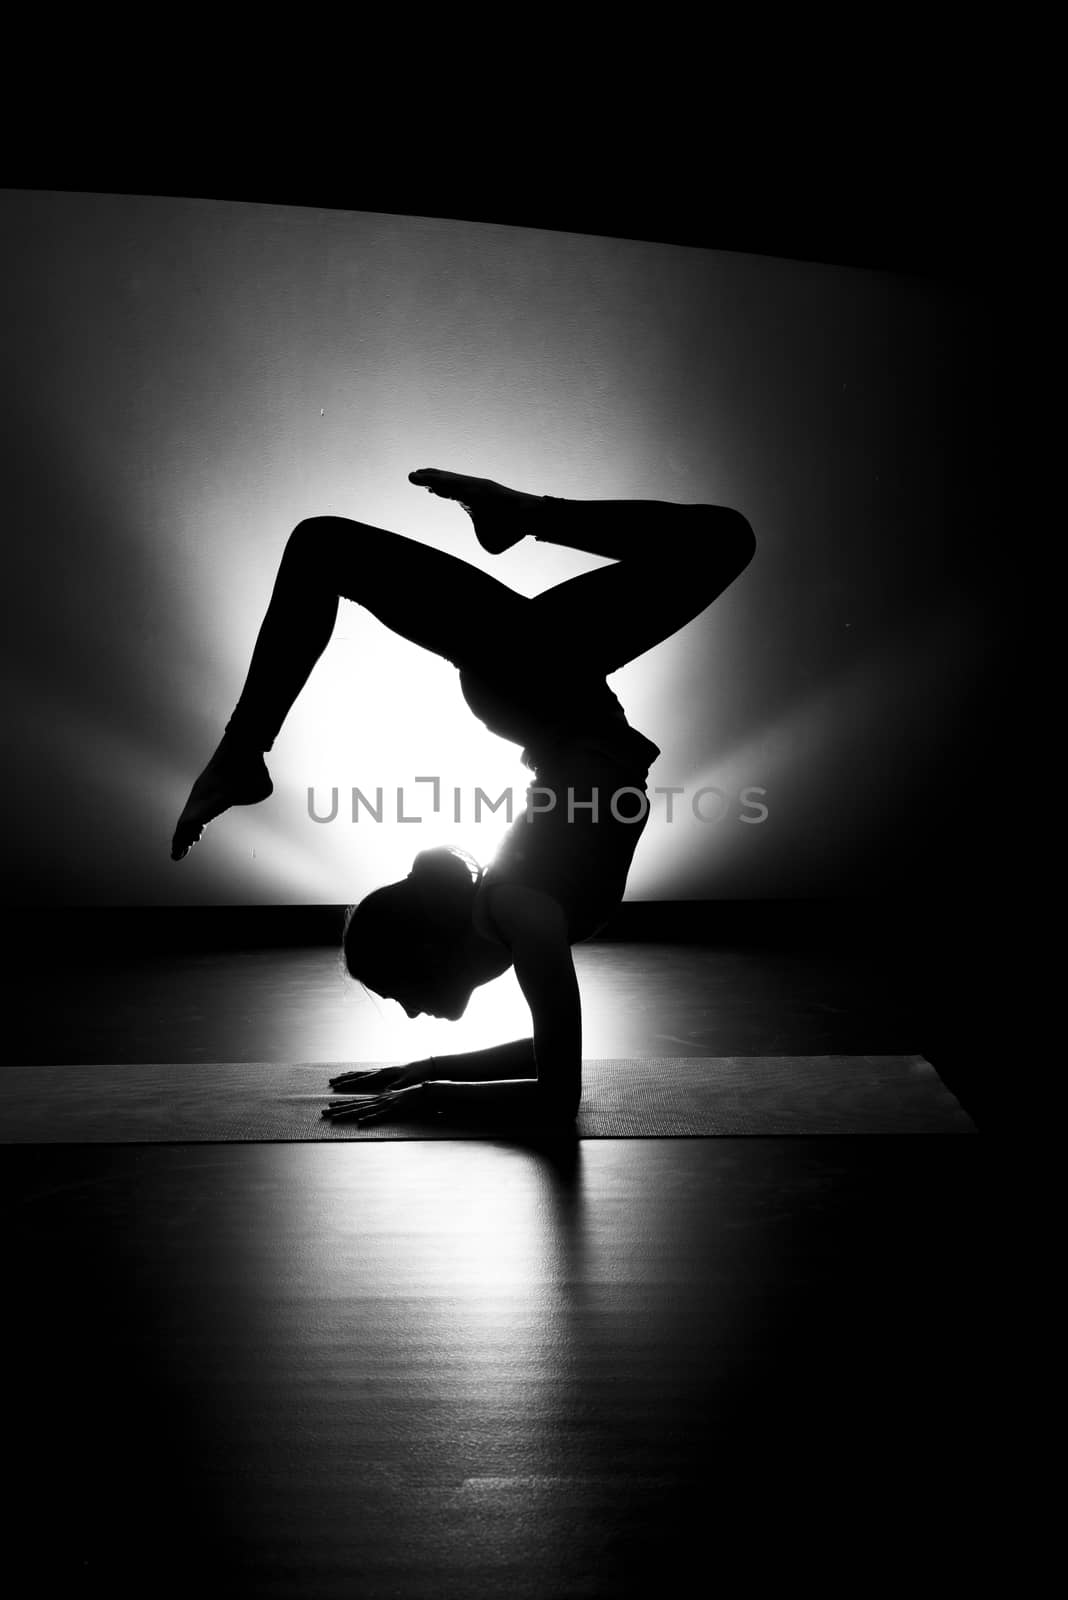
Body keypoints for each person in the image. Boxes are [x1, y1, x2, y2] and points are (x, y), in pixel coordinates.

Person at [171, 469, 755, 1126]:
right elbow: (555, 1057)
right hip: (543, 685)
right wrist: (430, 1069)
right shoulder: (520, 911)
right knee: (723, 539)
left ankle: (243, 752)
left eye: (399, 994)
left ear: (427, 950)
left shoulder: (518, 910)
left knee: (324, 547)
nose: (413, 1013)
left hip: (542, 686)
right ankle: (522, 516)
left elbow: (558, 1096)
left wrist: (427, 1099)